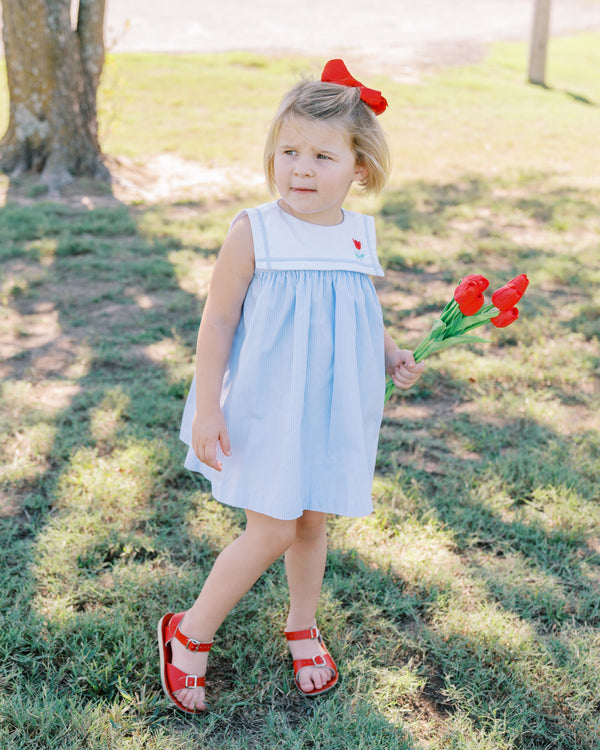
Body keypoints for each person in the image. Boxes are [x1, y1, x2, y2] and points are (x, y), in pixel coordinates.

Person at [158, 59, 425, 714]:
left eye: (322, 156)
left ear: (359, 166)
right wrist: (208, 409)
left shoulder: (357, 234)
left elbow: (356, 311)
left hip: (326, 405)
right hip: (264, 404)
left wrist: (390, 354)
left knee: (310, 522)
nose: (301, 169)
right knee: (272, 527)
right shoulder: (255, 230)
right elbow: (218, 320)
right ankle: (188, 631)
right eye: (289, 152)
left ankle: (303, 624)